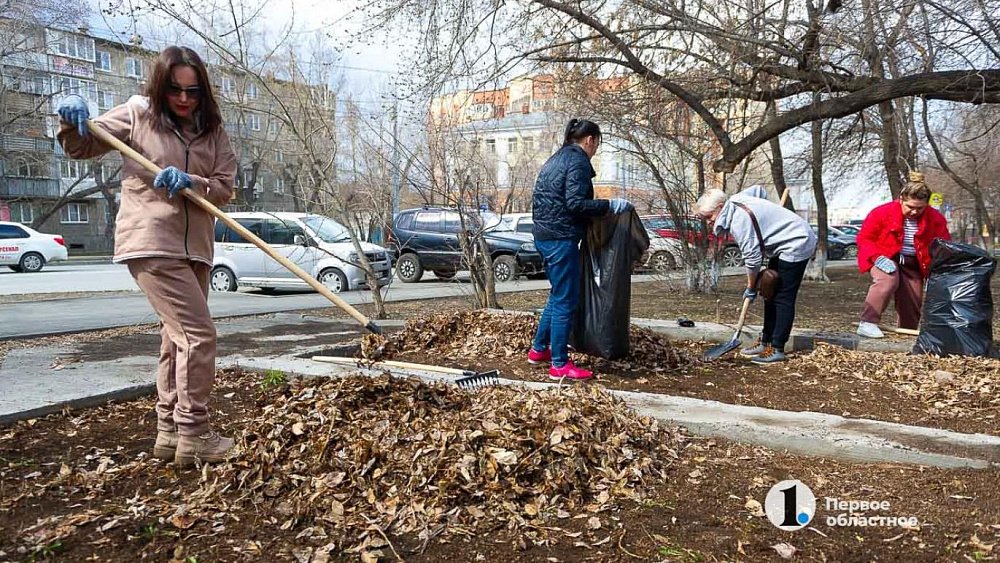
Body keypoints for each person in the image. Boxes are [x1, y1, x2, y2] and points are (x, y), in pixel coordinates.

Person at [57, 46, 237, 467]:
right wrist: (70, 119)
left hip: (197, 249)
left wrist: (191, 180)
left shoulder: (213, 131)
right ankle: (195, 434)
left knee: (177, 341)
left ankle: (170, 432)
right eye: (175, 89)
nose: (184, 99)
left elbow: (224, 187)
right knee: (199, 335)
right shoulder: (138, 114)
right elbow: (83, 145)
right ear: (160, 86)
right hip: (153, 240)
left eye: (193, 91)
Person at [527, 119, 631, 380]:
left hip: (544, 235)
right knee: (566, 300)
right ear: (590, 140)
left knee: (557, 295)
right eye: (597, 144)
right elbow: (575, 203)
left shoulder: (556, 159)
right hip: (560, 238)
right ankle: (559, 365)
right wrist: (609, 206)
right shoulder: (578, 162)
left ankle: (539, 349)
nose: (595, 150)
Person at [695, 186, 817, 363]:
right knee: (770, 292)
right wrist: (768, 216)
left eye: (709, 217)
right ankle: (765, 339)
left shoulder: (739, 221)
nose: (708, 222)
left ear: (721, 207)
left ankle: (776, 348)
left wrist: (751, 287)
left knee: (783, 296)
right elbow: (759, 190)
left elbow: (752, 260)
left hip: (797, 241)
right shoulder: (736, 199)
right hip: (780, 243)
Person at [855, 171, 950, 338]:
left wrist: (937, 267)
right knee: (887, 280)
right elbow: (865, 239)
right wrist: (877, 258)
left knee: (913, 297)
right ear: (901, 199)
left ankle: (907, 332)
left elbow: (943, 244)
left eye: (919, 208)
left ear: (926, 204)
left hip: (915, 264)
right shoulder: (881, 213)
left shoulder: (935, 219)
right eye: (910, 207)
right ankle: (868, 322)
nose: (914, 212)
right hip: (884, 258)